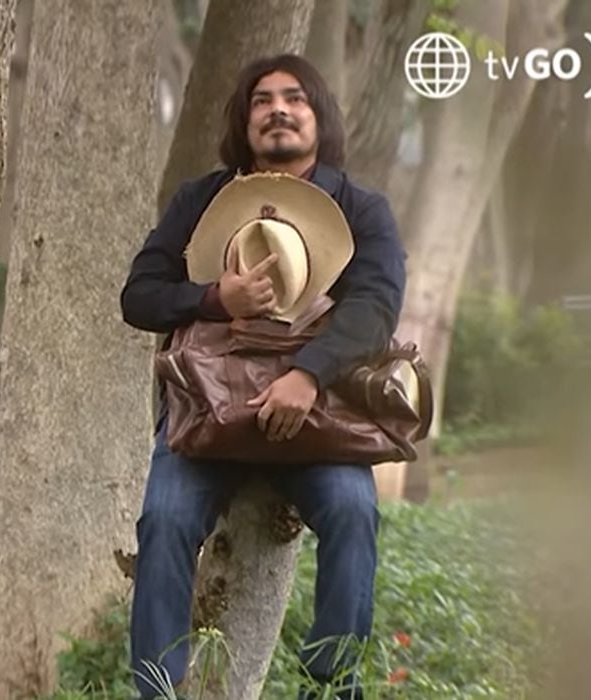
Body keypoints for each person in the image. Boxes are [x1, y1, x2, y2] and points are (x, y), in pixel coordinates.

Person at [119, 54, 407, 699]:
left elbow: (376, 310)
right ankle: (158, 692)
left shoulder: (362, 209)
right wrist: (216, 299)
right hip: (206, 417)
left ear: (318, 117)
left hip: (318, 421)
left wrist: (307, 376)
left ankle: (329, 688)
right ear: (244, 122)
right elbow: (139, 296)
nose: (278, 108)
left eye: (295, 98)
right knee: (163, 521)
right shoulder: (201, 200)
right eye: (262, 100)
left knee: (355, 512)